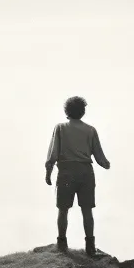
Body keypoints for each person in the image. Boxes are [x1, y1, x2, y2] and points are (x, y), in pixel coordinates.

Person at [44, 95, 110, 256]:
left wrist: (48, 173)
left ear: (67, 111)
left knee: (63, 210)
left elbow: (52, 154)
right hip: (86, 172)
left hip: (66, 172)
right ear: (83, 111)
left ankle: (61, 244)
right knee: (87, 210)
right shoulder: (90, 130)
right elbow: (100, 157)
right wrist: (107, 164)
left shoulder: (60, 128)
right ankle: (90, 246)